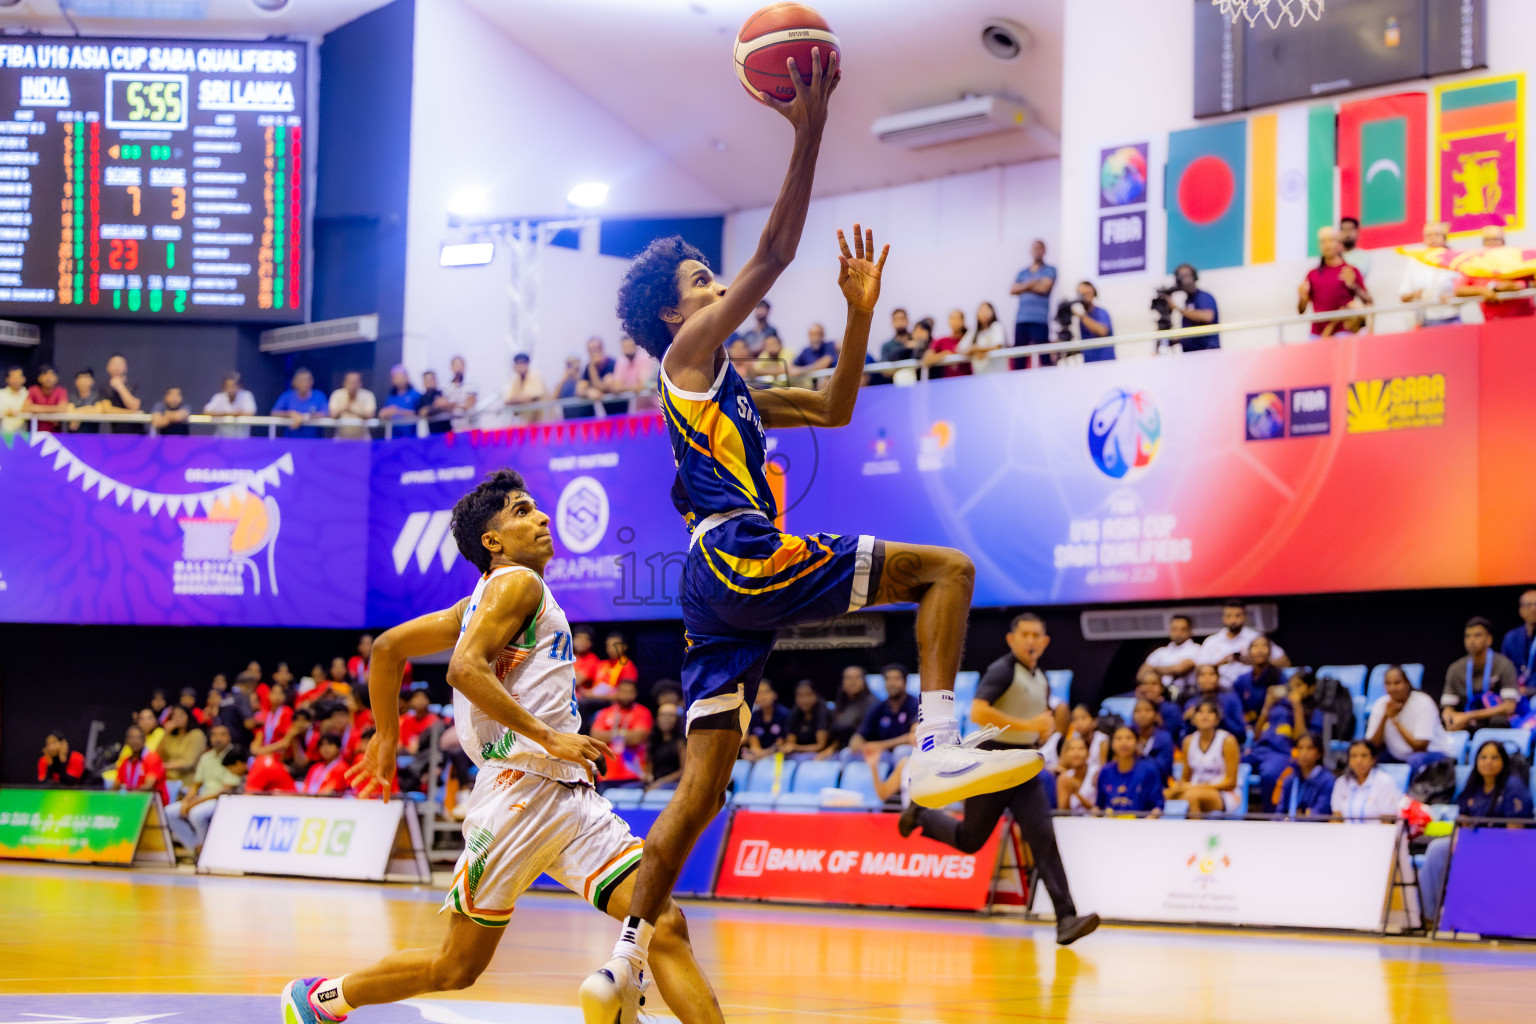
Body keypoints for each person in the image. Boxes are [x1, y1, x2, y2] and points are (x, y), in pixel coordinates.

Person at [591, 51, 1039, 1010]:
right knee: (948, 570)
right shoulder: (685, 358)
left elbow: (836, 406)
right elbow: (778, 254)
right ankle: (934, 744)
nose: (720, 288)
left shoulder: (740, 389)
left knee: (700, 792)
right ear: (674, 311)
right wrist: (808, 131)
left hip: (715, 595)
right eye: (705, 279)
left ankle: (623, 958)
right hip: (736, 554)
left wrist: (858, 314)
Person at [287, 468, 723, 1024]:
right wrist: (550, 738)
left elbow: (388, 649)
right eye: (521, 511)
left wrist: (386, 736)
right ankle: (323, 998)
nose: (541, 516)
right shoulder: (517, 582)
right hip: (518, 798)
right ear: (492, 542)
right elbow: (462, 671)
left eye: (536, 507)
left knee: (662, 924)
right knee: (455, 967)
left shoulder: (478, 604)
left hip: (567, 798)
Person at [900, 612, 1098, 945]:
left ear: (1046, 642)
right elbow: (978, 712)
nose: (1032, 640)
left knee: (1044, 839)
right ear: (1012, 639)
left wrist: (1046, 726)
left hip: (1021, 767)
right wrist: (1030, 725)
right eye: (1026, 635)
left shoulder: (1040, 677)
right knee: (970, 840)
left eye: (1038, 635)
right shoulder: (1002, 670)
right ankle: (921, 814)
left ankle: (1066, 918)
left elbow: (1036, 719)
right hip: (991, 764)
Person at [1420, 740, 1535, 926]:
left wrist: (1482, 844)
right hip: (1474, 843)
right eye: (1483, 757)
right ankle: (1429, 918)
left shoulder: (1514, 787)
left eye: (1494, 757)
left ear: (1504, 762)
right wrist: (1459, 841)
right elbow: (1462, 822)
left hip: (1504, 846)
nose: (1488, 762)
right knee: (1437, 849)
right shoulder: (1473, 786)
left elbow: (1516, 833)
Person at [163, 725, 243, 854]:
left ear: (229, 737)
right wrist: (187, 801)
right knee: (169, 812)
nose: (218, 738)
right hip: (203, 797)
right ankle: (196, 847)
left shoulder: (233, 756)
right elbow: (196, 785)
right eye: (214, 735)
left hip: (221, 799)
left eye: (222, 734)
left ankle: (207, 851)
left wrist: (195, 802)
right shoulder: (206, 757)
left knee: (196, 814)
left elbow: (226, 790)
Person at [1366, 664, 1454, 769]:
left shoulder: (1423, 702)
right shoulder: (1381, 705)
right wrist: (1385, 717)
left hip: (1436, 753)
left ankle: (1415, 786)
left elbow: (1420, 746)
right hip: (1400, 756)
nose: (1392, 688)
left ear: (1407, 683)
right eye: (1388, 683)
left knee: (1415, 759)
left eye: (1397, 683)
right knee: (1366, 759)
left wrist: (1395, 720)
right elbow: (1371, 746)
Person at [1442, 617, 1520, 732]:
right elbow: (1447, 707)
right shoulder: (1455, 668)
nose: (1471, 640)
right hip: (1467, 722)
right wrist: (1450, 718)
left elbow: (1509, 707)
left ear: (1489, 640)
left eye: (1477, 635)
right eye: (1468, 636)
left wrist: (1469, 715)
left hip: (1494, 721)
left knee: (1498, 721)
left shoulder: (1504, 664)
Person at [1166, 700, 1241, 816]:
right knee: (1164, 795)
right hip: (1193, 788)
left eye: (1210, 712)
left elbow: (1231, 783)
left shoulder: (1228, 741)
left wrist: (1198, 786)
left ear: (1217, 719)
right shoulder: (1188, 741)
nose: (1205, 715)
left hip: (1224, 793)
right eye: (1200, 712)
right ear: (1194, 719)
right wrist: (1178, 787)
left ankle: (1195, 832)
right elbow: (1186, 777)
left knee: (1191, 796)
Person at [1199, 599, 1289, 690]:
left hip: (1252, 687)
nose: (1233, 620)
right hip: (1221, 690)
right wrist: (1221, 663)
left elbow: (1285, 662)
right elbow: (1199, 669)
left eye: (1237, 616)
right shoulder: (1212, 641)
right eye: (1229, 616)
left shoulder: (1256, 638)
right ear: (1223, 618)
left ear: (1245, 617)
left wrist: (1257, 661)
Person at [1299, 227, 1372, 336]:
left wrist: (1353, 286)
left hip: (1345, 333)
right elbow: (1301, 310)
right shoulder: (1312, 274)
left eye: (1331, 240)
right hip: (1318, 334)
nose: (1327, 245)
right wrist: (1303, 298)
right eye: (1323, 241)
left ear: (1339, 243)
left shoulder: (1350, 271)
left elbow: (1368, 301)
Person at [1454, 224, 1534, 320]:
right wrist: (1483, 291)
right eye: (1488, 240)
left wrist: (1521, 285)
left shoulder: (1517, 257)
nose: (1492, 243)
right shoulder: (1475, 263)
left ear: (1503, 241)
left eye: (1495, 239)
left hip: (1525, 318)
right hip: (1494, 320)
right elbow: (1458, 289)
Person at [591, 679, 654, 789]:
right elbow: (595, 737)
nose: (627, 696)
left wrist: (609, 734)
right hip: (606, 775)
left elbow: (637, 738)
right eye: (623, 692)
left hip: (633, 775)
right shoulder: (605, 713)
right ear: (617, 692)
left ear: (636, 694)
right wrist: (625, 734)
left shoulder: (642, 712)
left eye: (631, 692)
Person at [1399, 221, 1461, 327]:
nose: (1433, 239)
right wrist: (1415, 294)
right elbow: (1403, 295)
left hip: (1450, 318)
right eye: (1429, 235)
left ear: (1444, 238)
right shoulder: (1415, 261)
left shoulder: (1454, 260)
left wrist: (1453, 297)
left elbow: (1465, 289)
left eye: (1437, 235)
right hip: (1424, 319)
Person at [1095, 725, 1164, 815]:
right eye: (1119, 738)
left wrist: (1147, 823)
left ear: (1137, 742)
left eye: (1128, 738)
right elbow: (1099, 805)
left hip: (1141, 824)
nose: (1123, 742)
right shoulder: (1105, 771)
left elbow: (1158, 806)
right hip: (1111, 824)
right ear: (1112, 744)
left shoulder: (1149, 770)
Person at [852, 665, 919, 757]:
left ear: (905, 682)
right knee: (847, 753)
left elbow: (912, 736)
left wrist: (881, 745)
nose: (892, 683)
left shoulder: (915, 704)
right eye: (888, 679)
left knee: (900, 752)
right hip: (883, 753)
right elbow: (861, 733)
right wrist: (858, 742)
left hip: (907, 751)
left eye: (897, 679)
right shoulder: (878, 707)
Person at [1331, 740, 1402, 822]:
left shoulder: (1385, 781)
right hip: (1346, 833)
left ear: (1373, 759)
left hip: (1376, 833)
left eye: (1364, 756)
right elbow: (1336, 817)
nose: (1358, 761)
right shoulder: (1341, 782)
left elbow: (1387, 821)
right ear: (1349, 760)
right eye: (1354, 756)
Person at [1010, 238, 1056, 364]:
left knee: (1044, 358)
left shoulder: (1050, 270)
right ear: (1031, 251)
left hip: (1040, 320)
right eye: (1035, 248)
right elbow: (1013, 289)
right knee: (1019, 359)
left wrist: (1023, 286)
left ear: (1045, 251)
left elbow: (1044, 288)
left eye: (1040, 248)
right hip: (1021, 320)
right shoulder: (1022, 272)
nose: (1037, 251)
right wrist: (1034, 282)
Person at [1271, 732, 1335, 818]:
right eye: (1300, 748)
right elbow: (1279, 812)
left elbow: (1319, 813)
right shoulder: (1290, 779)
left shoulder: (1328, 781)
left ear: (1320, 753)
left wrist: (1298, 819)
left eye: (1310, 748)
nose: (1304, 753)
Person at [1143, 614, 1201, 700]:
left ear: (1190, 631)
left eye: (1182, 629)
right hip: (1162, 694)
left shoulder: (1196, 648)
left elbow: (1180, 669)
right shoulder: (1160, 652)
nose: (1178, 633)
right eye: (1174, 629)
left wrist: (1154, 669)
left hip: (1187, 694)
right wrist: (1169, 669)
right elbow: (1141, 674)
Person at [823, 665, 877, 756]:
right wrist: (831, 748)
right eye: (848, 678)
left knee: (846, 754)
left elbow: (865, 733)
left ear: (864, 681)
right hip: (840, 749)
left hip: (863, 749)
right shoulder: (841, 702)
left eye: (857, 678)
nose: (852, 682)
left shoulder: (873, 704)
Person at [1183, 663, 1246, 740]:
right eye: (1202, 675)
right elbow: (1184, 738)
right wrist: (1188, 722)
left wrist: (1221, 718)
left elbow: (1241, 732)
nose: (1207, 678)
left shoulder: (1231, 699)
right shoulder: (1191, 704)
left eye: (1211, 674)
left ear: (1218, 677)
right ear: (1197, 679)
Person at [1169, 263, 1220, 350]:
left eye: (1187, 275)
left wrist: (1176, 308)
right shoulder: (1188, 301)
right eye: (1181, 277)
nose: (1185, 280)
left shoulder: (1204, 297)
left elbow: (1207, 317)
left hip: (1207, 353)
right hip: (1191, 355)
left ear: (1194, 277)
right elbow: (1192, 331)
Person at [115, 723, 169, 805]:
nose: (135, 741)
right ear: (126, 741)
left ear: (144, 740)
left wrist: (128, 795)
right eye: (131, 737)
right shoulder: (125, 762)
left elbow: (148, 786)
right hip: (131, 801)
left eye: (138, 737)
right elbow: (115, 787)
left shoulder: (152, 758)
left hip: (153, 804)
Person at [1232, 635, 1283, 717]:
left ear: (1270, 651)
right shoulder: (1241, 680)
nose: (1260, 650)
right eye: (1255, 646)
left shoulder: (1279, 676)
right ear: (1249, 652)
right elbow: (1237, 708)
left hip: (1272, 721)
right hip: (1248, 724)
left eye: (1264, 646)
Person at [272, 368, 330, 438]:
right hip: (290, 440)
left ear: (312, 381)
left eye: (308, 380)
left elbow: (326, 413)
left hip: (314, 442)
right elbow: (274, 413)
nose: (305, 383)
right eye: (301, 380)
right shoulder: (287, 396)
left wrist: (304, 417)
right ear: (294, 382)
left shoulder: (319, 396)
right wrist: (290, 413)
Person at [157, 705, 208, 784]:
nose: (177, 718)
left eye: (181, 714)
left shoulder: (196, 735)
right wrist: (165, 733)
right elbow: (159, 756)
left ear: (188, 716)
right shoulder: (171, 736)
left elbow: (189, 763)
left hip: (188, 782)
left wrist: (165, 766)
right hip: (169, 780)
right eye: (174, 715)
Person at [743, 679, 792, 761]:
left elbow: (780, 743)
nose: (763, 696)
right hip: (760, 757)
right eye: (759, 693)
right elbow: (754, 744)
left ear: (775, 694)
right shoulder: (753, 717)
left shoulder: (784, 714)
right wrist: (756, 753)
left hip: (780, 756)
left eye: (767, 692)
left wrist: (762, 754)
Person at [781, 680, 831, 757]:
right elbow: (790, 743)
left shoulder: (823, 712)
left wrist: (796, 747)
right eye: (800, 695)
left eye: (808, 694)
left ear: (816, 695)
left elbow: (820, 746)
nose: (804, 699)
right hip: (799, 754)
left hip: (822, 755)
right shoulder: (794, 713)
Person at [1131, 697, 1175, 782]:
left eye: (1147, 710)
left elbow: (1164, 769)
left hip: (1158, 784)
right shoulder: (1129, 736)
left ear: (1156, 715)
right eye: (1137, 711)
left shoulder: (1164, 738)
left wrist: (1141, 756)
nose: (1142, 714)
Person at [1500, 588, 1536, 691]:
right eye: (1528, 605)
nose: (1533, 609)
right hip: (1515, 692)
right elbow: (1504, 669)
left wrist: (1529, 691)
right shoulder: (1511, 637)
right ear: (1521, 610)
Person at [646, 702, 687, 792]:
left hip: (674, 784)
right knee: (630, 788)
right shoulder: (654, 741)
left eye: (670, 715)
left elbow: (683, 771)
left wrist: (661, 782)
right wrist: (648, 776)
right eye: (663, 715)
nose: (666, 719)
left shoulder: (681, 742)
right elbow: (650, 767)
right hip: (655, 782)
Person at [1054, 733, 1098, 814]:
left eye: (1081, 749)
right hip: (1072, 822)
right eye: (1072, 749)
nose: (1076, 753)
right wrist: (1068, 793)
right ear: (1066, 754)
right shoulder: (1064, 778)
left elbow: (1098, 809)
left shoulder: (1096, 773)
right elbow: (1063, 812)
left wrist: (1077, 794)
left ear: (1088, 753)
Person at [1071, 281, 1115, 362]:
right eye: (1082, 294)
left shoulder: (1101, 312)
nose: (1085, 297)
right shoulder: (1081, 318)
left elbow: (1102, 331)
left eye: (1087, 293)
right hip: (1089, 365)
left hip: (1106, 364)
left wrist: (1082, 316)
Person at [203, 371, 256, 438]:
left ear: (239, 386)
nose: (231, 389)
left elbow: (250, 413)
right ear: (224, 387)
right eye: (228, 386)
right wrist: (228, 414)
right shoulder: (219, 397)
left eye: (233, 386)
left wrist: (225, 414)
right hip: (222, 439)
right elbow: (206, 411)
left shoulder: (246, 395)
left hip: (241, 439)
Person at [101, 353, 145, 434]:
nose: (117, 367)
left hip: (137, 433)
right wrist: (132, 414)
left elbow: (135, 406)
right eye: (114, 364)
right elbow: (107, 410)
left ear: (126, 367)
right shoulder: (104, 387)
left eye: (120, 364)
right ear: (108, 368)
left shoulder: (134, 385)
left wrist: (120, 386)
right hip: (116, 433)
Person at [921, 309, 970, 379]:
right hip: (947, 383)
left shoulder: (968, 339)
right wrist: (944, 354)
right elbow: (926, 360)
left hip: (967, 381)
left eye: (957, 318)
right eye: (952, 318)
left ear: (963, 321)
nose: (955, 322)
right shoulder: (941, 341)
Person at [961, 300, 1008, 373]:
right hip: (980, 374)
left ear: (993, 312)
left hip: (997, 373)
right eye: (981, 310)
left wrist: (975, 349)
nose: (984, 313)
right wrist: (974, 353)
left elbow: (997, 346)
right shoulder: (973, 331)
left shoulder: (996, 326)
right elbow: (961, 348)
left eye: (986, 310)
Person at [329, 371, 377, 440]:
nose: (353, 385)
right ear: (344, 383)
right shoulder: (337, 394)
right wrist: (344, 408)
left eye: (355, 382)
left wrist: (353, 410)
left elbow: (370, 415)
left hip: (362, 438)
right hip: (341, 438)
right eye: (350, 382)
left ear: (360, 383)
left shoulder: (368, 395)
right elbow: (332, 414)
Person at [592, 632, 639, 700]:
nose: (611, 649)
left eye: (615, 645)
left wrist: (595, 696)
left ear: (624, 647)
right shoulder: (601, 664)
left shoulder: (628, 666)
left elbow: (627, 695)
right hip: (595, 700)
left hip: (614, 703)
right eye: (609, 646)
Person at [501, 354, 547, 423]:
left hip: (543, 422)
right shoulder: (516, 380)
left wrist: (517, 400)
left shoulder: (535, 375)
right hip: (528, 423)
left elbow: (529, 397)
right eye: (517, 364)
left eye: (522, 363)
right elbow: (507, 401)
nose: (520, 367)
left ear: (527, 364)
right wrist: (519, 400)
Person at [378, 365, 423, 437]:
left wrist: (398, 411)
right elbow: (385, 414)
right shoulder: (391, 396)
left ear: (407, 377)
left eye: (401, 377)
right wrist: (384, 414)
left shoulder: (415, 395)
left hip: (412, 437)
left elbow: (420, 413)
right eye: (396, 378)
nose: (399, 380)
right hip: (395, 438)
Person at [24, 365, 69, 433]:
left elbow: (62, 409)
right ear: (39, 378)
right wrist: (53, 412)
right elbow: (26, 408)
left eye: (52, 375)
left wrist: (35, 408)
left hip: (56, 435)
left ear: (57, 378)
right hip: (35, 433)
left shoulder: (61, 391)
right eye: (45, 375)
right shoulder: (33, 389)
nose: (48, 378)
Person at [555, 355, 595, 420]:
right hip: (570, 424)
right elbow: (553, 398)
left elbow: (580, 391)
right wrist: (563, 379)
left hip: (586, 421)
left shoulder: (584, 379)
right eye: (568, 366)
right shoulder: (563, 384)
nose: (570, 369)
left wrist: (577, 375)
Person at [416, 370, 455, 434]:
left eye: (432, 379)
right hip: (433, 433)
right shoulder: (422, 398)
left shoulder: (443, 393)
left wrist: (443, 406)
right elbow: (423, 412)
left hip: (448, 432)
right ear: (424, 382)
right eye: (427, 380)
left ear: (436, 380)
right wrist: (436, 406)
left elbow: (451, 407)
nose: (430, 382)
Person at [65, 368, 102, 434]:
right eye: (80, 378)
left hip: (91, 435)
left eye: (86, 378)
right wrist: (88, 409)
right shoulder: (71, 396)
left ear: (92, 381)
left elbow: (98, 411)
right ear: (76, 381)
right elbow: (69, 411)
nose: (83, 382)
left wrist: (77, 415)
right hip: (73, 434)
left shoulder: (97, 396)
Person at [1336, 215, 1374, 280]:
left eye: (1350, 229)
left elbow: (1356, 276)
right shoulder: (1334, 256)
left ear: (1357, 232)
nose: (1347, 233)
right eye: (1343, 229)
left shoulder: (1363, 256)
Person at [0, 365, 27, 438]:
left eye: (19, 377)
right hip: (3, 436)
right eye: (13, 377)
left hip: (23, 436)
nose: (16, 380)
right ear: (7, 379)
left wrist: (18, 412)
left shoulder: (28, 395)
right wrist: (5, 413)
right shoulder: (1, 394)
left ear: (24, 379)